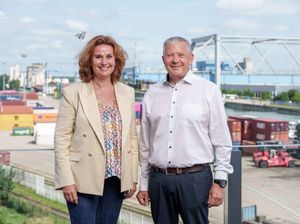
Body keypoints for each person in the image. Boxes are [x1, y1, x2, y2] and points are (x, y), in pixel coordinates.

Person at [136, 36, 233, 224]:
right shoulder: (151, 94)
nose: (175, 59)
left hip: (195, 180)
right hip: (159, 180)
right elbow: (145, 144)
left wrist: (220, 182)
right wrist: (144, 184)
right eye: (170, 55)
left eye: (181, 54)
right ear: (163, 59)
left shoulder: (209, 91)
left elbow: (222, 140)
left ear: (191, 58)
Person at [54, 35, 138, 224]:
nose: (104, 62)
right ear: (89, 61)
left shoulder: (127, 93)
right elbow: (61, 139)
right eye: (98, 57)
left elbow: (131, 137)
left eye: (109, 57)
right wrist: (66, 180)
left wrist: (131, 176)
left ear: (116, 61)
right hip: (82, 179)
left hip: (116, 179)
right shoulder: (73, 93)